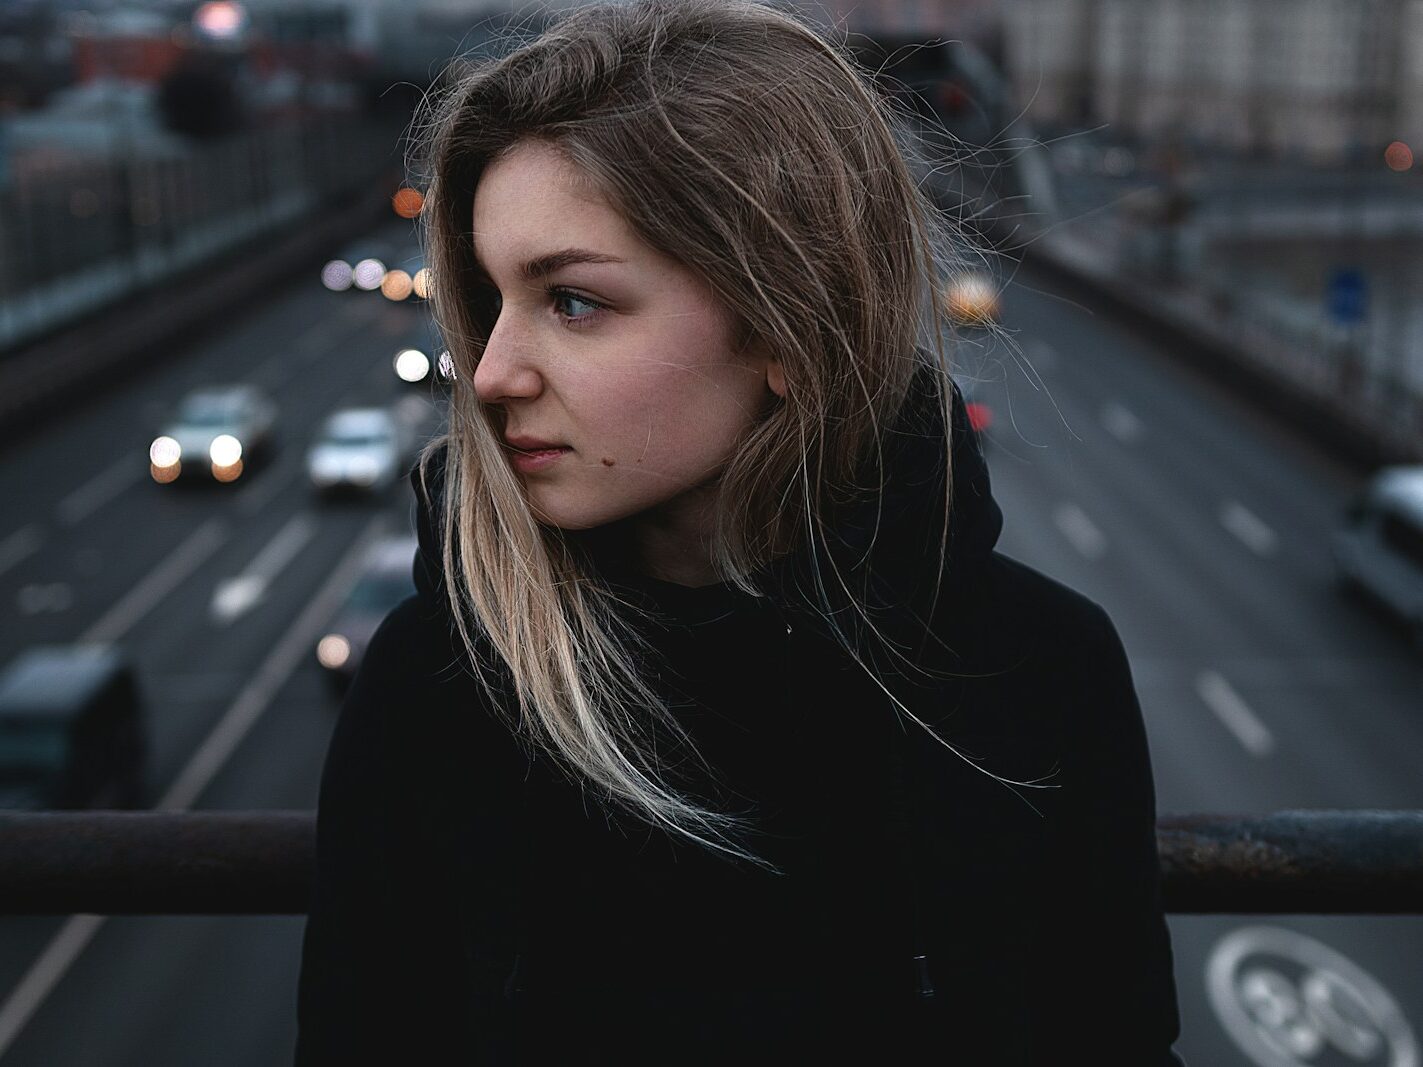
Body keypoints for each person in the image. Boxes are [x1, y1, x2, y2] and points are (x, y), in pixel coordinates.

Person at [295, 0, 1184, 1063]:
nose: (490, 374)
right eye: (489, 301)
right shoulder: (443, 684)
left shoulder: (1035, 672)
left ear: (783, 323)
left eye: (573, 301)